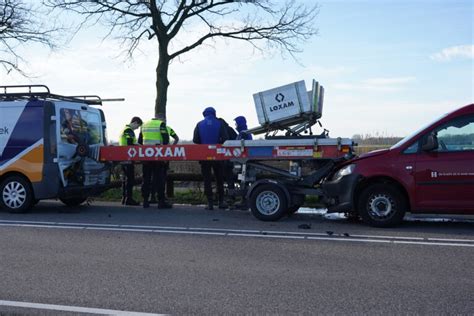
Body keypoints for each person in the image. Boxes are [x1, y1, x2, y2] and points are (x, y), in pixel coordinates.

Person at [193, 107, 229, 210]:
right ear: (214, 113)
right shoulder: (219, 123)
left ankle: (210, 203)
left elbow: (196, 140)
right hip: (218, 155)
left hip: (204, 156)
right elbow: (226, 138)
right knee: (219, 178)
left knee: (207, 179)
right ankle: (221, 201)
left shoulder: (199, 124)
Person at [139, 115, 173, 209]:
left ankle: (145, 201)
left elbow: (139, 141)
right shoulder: (160, 124)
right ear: (160, 119)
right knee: (159, 179)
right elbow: (166, 139)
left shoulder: (144, 125)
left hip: (146, 155)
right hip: (158, 155)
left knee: (146, 178)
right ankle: (161, 201)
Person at [149, 119, 179, 204]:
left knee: (153, 176)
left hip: (151, 155)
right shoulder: (168, 128)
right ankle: (160, 196)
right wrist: (171, 148)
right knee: (162, 176)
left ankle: (153, 196)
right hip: (164, 156)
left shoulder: (152, 129)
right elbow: (176, 138)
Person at [119, 116, 143, 206]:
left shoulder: (124, 129)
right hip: (128, 157)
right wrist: (138, 145)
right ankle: (129, 199)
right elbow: (129, 143)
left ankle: (124, 198)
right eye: (137, 126)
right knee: (130, 179)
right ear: (135, 122)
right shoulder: (129, 130)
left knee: (125, 179)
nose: (137, 128)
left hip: (123, 157)